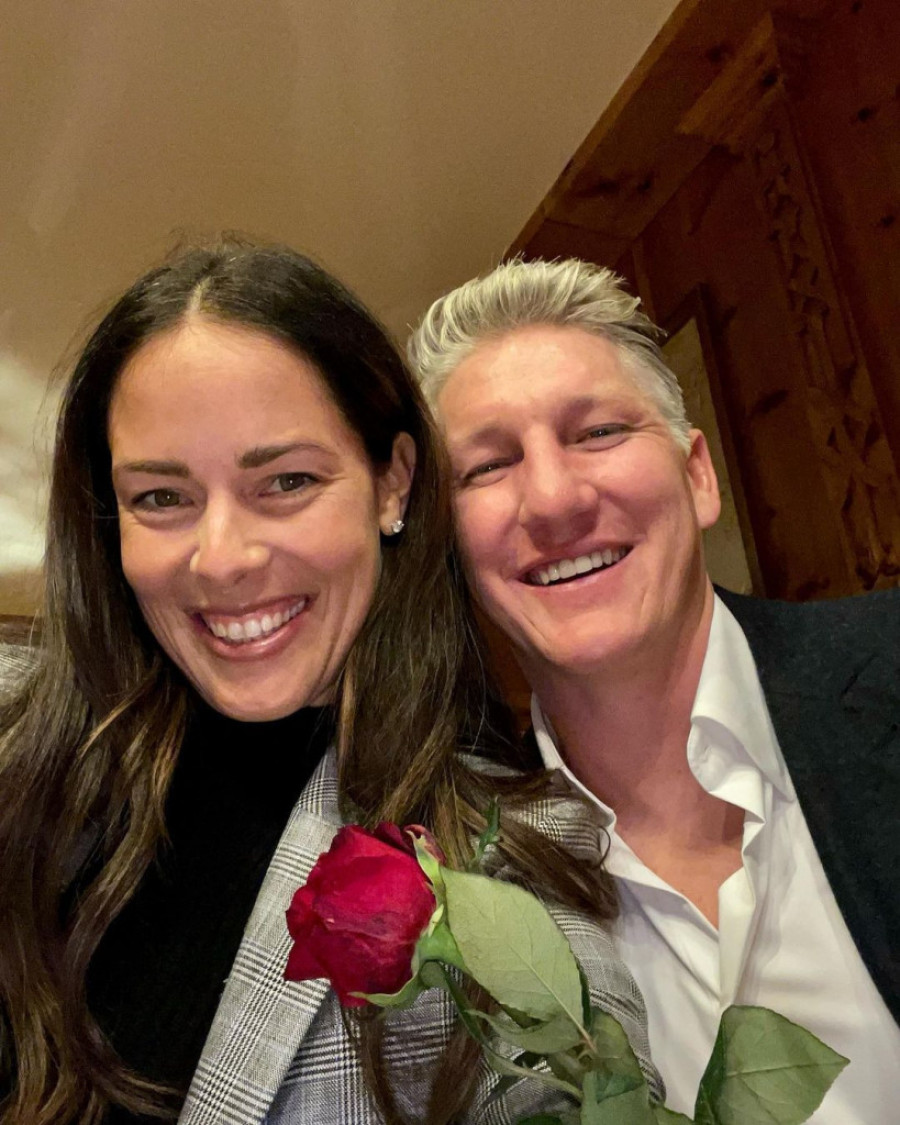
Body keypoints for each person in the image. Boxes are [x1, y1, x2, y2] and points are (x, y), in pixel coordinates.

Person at [0, 243, 660, 1125]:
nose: (222, 558)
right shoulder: (20, 754)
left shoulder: (502, 872)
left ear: (393, 483)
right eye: (161, 497)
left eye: (287, 481)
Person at [408, 257, 900, 1122]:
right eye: (486, 467)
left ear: (698, 475)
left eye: (598, 431)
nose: (552, 498)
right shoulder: (464, 902)